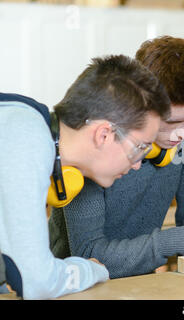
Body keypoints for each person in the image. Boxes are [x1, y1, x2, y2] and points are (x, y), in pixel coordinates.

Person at [48, 36, 184, 279]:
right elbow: (88, 254)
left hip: (144, 280)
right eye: (172, 121)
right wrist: (174, 241)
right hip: (75, 284)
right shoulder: (97, 148)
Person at [0, 55, 170, 299]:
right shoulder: (27, 137)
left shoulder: (26, 122)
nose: (138, 164)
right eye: (140, 148)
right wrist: (94, 269)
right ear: (104, 135)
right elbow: (36, 281)